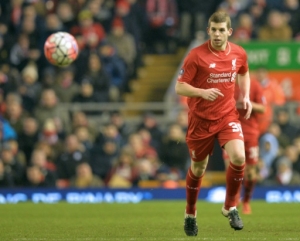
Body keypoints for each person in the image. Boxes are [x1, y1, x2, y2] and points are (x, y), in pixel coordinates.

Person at [175, 11, 252, 236]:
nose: (217, 34)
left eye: (221, 30)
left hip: (227, 116)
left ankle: (230, 207)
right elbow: (180, 87)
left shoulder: (238, 52)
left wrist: (245, 96)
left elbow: (244, 72)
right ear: (208, 30)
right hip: (200, 120)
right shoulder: (196, 55)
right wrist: (201, 92)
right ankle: (190, 214)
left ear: (229, 32)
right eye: (214, 30)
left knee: (239, 156)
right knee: (198, 168)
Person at [223, 77, 266, 214]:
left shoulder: (254, 85)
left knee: (250, 171)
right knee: (230, 167)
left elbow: (263, 108)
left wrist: (249, 103)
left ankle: (246, 200)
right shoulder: (226, 84)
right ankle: (235, 198)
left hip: (250, 133)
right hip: (231, 131)